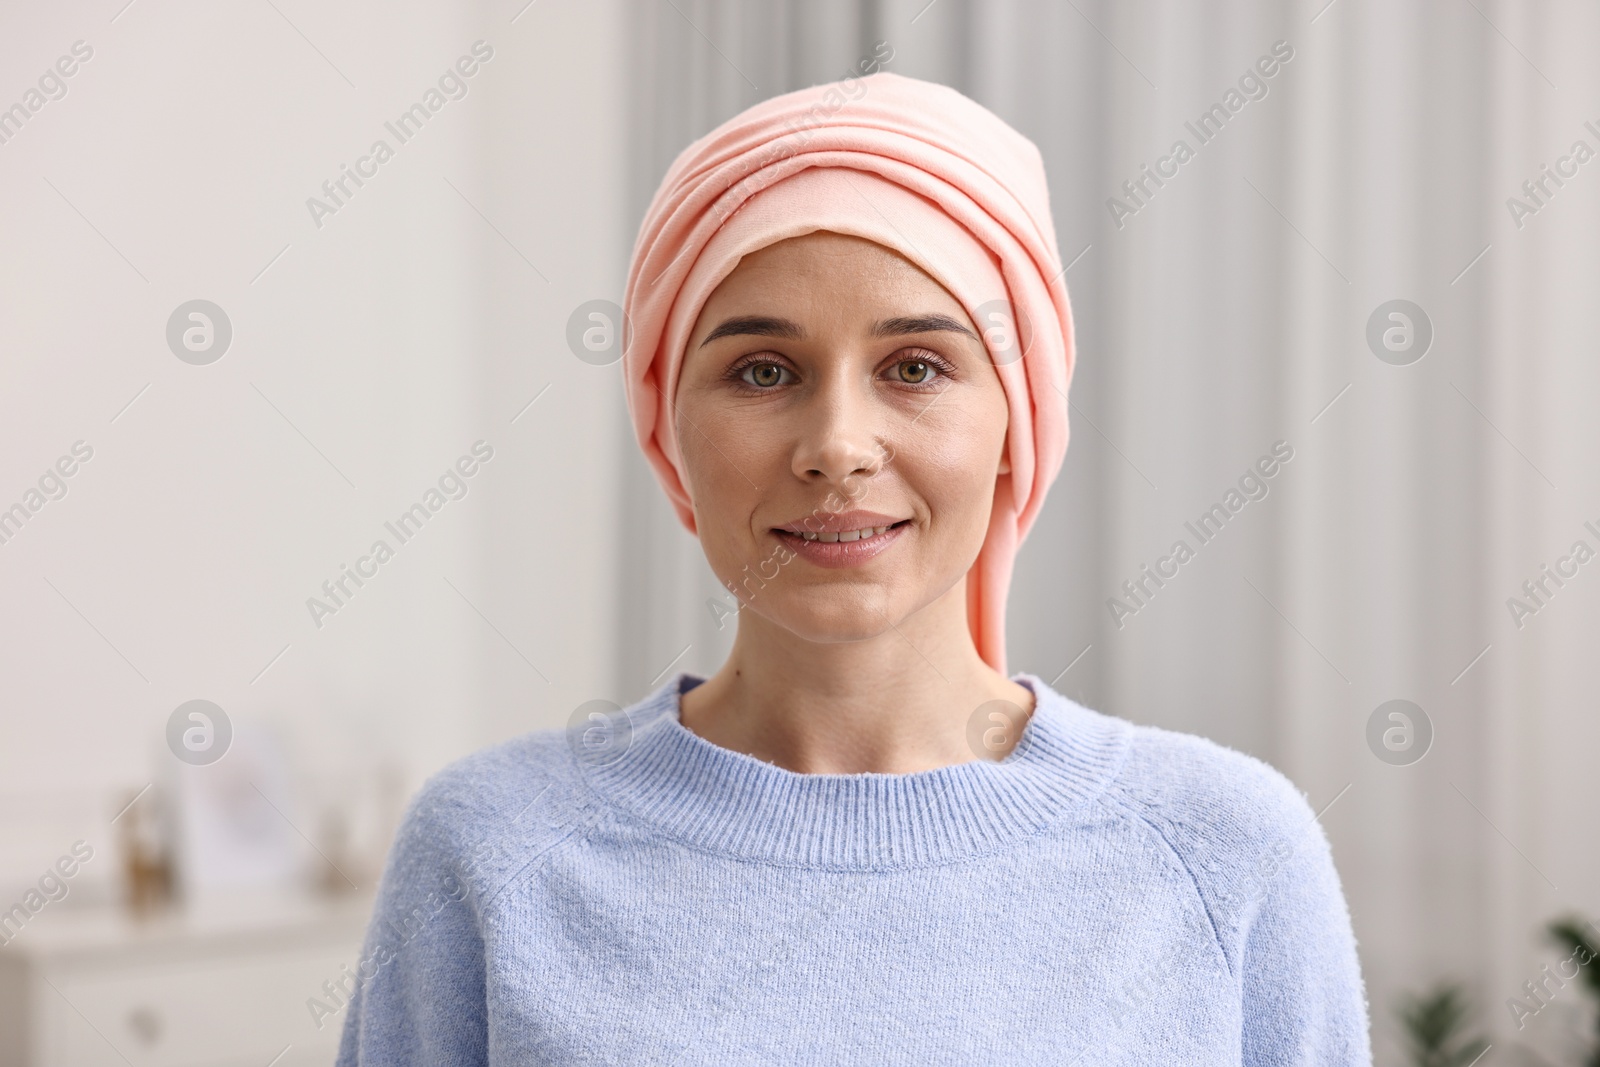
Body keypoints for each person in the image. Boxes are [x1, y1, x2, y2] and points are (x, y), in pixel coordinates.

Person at [336, 72, 1372, 1065]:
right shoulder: (488, 847)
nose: (838, 444)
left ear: (1021, 419)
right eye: (762, 369)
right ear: (665, 429)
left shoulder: (1226, 848)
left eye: (915, 366)